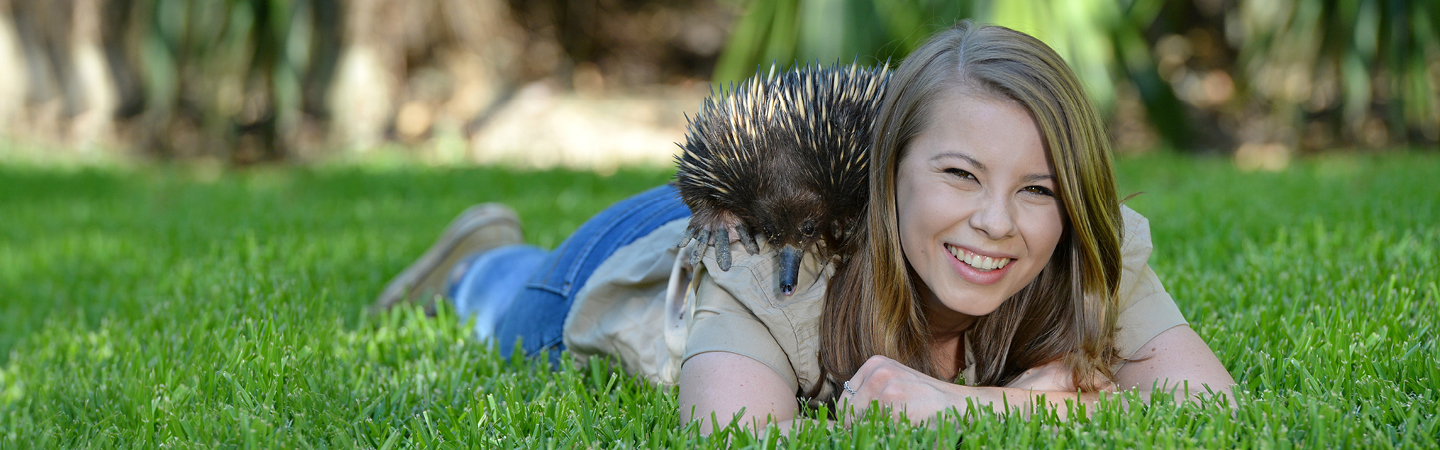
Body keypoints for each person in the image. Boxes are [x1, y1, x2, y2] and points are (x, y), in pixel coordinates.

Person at [372, 21, 1234, 433]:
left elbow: (1208, 407)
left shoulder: (1083, 248)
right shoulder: (776, 277)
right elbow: (738, 438)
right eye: (960, 174)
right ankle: (478, 258)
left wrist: (957, 404)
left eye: (1039, 189)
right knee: (507, 310)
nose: (998, 223)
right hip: (645, 259)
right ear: (886, 171)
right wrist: (1047, 407)